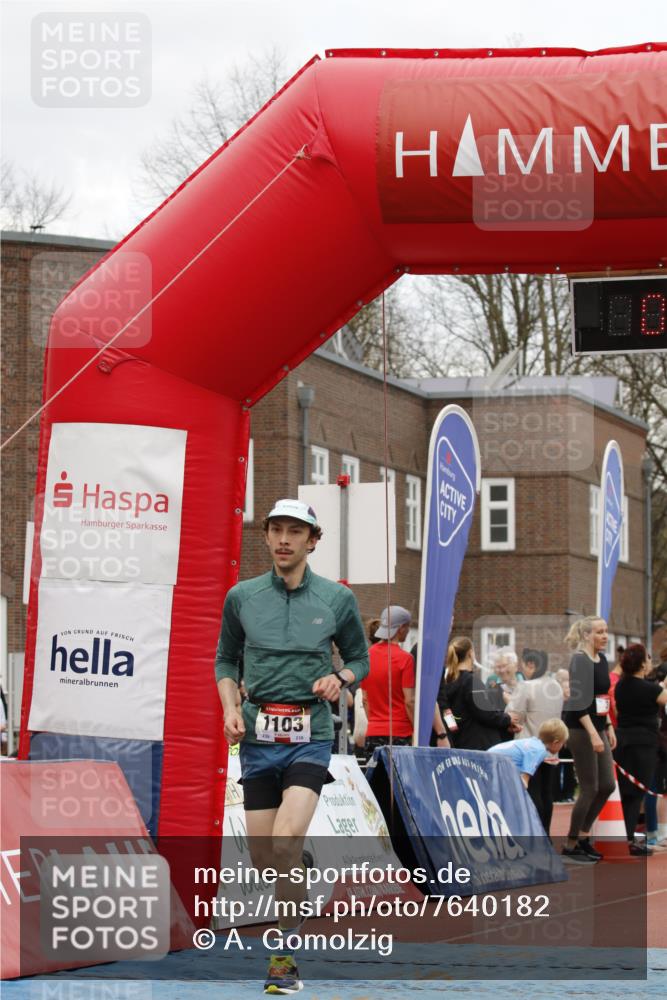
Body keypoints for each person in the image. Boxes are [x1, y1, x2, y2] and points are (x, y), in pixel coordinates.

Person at [215, 498, 369, 995]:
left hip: (310, 735)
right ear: (267, 537)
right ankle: (298, 867)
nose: (284, 539)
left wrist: (339, 677)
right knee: (267, 860)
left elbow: (360, 659)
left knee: (282, 841)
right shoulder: (241, 596)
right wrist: (230, 709)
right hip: (258, 737)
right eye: (276, 530)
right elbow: (224, 661)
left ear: (312, 541)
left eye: (294, 532)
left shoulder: (336, 599)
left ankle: (283, 962)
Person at [561, 616, 616, 865]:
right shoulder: (580, 661)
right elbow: (578, 703)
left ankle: (583, 837)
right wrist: (594, 733)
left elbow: (602, 697)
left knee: (607, 785)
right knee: (590, 787)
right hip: (580, 728)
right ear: (586, 635)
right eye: (599, 632)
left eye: (606, 632)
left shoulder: (602, 659)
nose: (604, 636)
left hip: (598, 726)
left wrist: (607, 726)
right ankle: (571, 845)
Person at [361, 606, 448, 756]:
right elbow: (409, 701)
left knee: (375, 779)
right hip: (399, 733)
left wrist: (376, 724)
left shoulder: (366, 657)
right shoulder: (405, 659)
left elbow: (365, 699)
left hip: (373, 732)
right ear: (401, 628)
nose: (408, 631)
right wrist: (417, 730)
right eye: (408, 627)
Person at [614, 643, 667, 856]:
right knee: (637, 795)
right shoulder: (650, 689)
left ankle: (629, 837)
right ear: (642, 663)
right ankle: (631, 841)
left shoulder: (621, 685)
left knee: (627, 793)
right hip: (643, 744)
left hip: (623, 740)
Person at [507, 652, 564, 834]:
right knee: (547, 794)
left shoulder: (526, 686)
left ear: (531, 664)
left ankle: (535, 835)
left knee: (533, 793)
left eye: (524, 665)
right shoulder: (556, 686)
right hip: (551, 749)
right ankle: (545, 834)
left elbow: (513, 714)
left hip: (530, 748)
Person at [439, 637, 520, 750]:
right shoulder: (471, 681)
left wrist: (455, 731)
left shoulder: (448, 681)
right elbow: (485, 713)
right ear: (471, 654)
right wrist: (508, 718)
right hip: (478, 745)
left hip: (460, 742)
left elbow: (448, 715)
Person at [489, 719, 568, 795]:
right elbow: (524, 780)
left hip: (488, 758)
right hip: (492, 764)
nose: (563, 746)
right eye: (563, 743)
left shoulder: (533, 743)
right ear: (555, 742)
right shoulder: (539, 751)